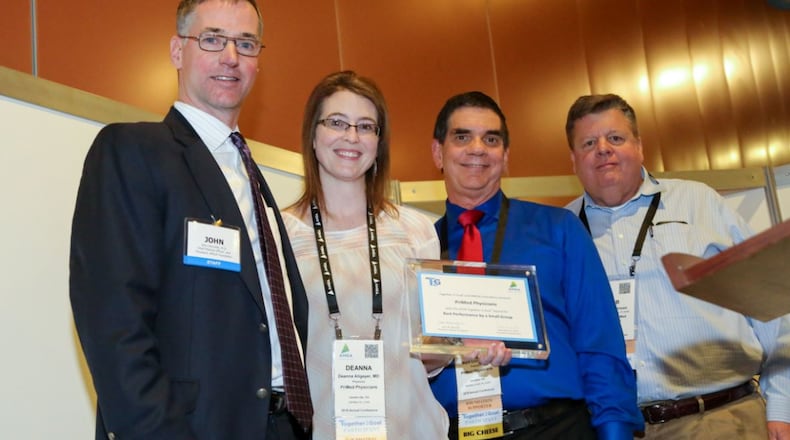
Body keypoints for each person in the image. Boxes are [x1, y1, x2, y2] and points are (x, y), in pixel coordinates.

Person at [69, 1, 313, 439]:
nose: (231, 57)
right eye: (213, 39)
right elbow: (114, 324)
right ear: (177, 52)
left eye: (246, 43)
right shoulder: (132, 151)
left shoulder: (253, 177)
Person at [564, 93, 790, 439]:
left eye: (616, 138)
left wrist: (781, 408)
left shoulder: (699, 201)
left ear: (639, 146)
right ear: (573, 159)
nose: (603, 149)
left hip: (720, 419)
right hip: (617, 428)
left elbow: (769, 309)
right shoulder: (561, 229)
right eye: (589, 142)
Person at [429, 91, 643, 439]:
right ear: (438, 152)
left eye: (491, 139)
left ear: (506, 155)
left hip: (555, 429)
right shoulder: (419, 250)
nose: (477, 148)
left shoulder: (558, 229)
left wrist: (615, 433)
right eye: (462, 137)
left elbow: (600, 345)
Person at [282, 70, 449, 439]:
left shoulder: (417, 231)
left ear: (379, 141)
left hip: (412, 428)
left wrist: (470, 346)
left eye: (366, 126)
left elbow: (433, 355)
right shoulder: (280, 235)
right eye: (337, 122)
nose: (351, 137)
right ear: (313, 134)